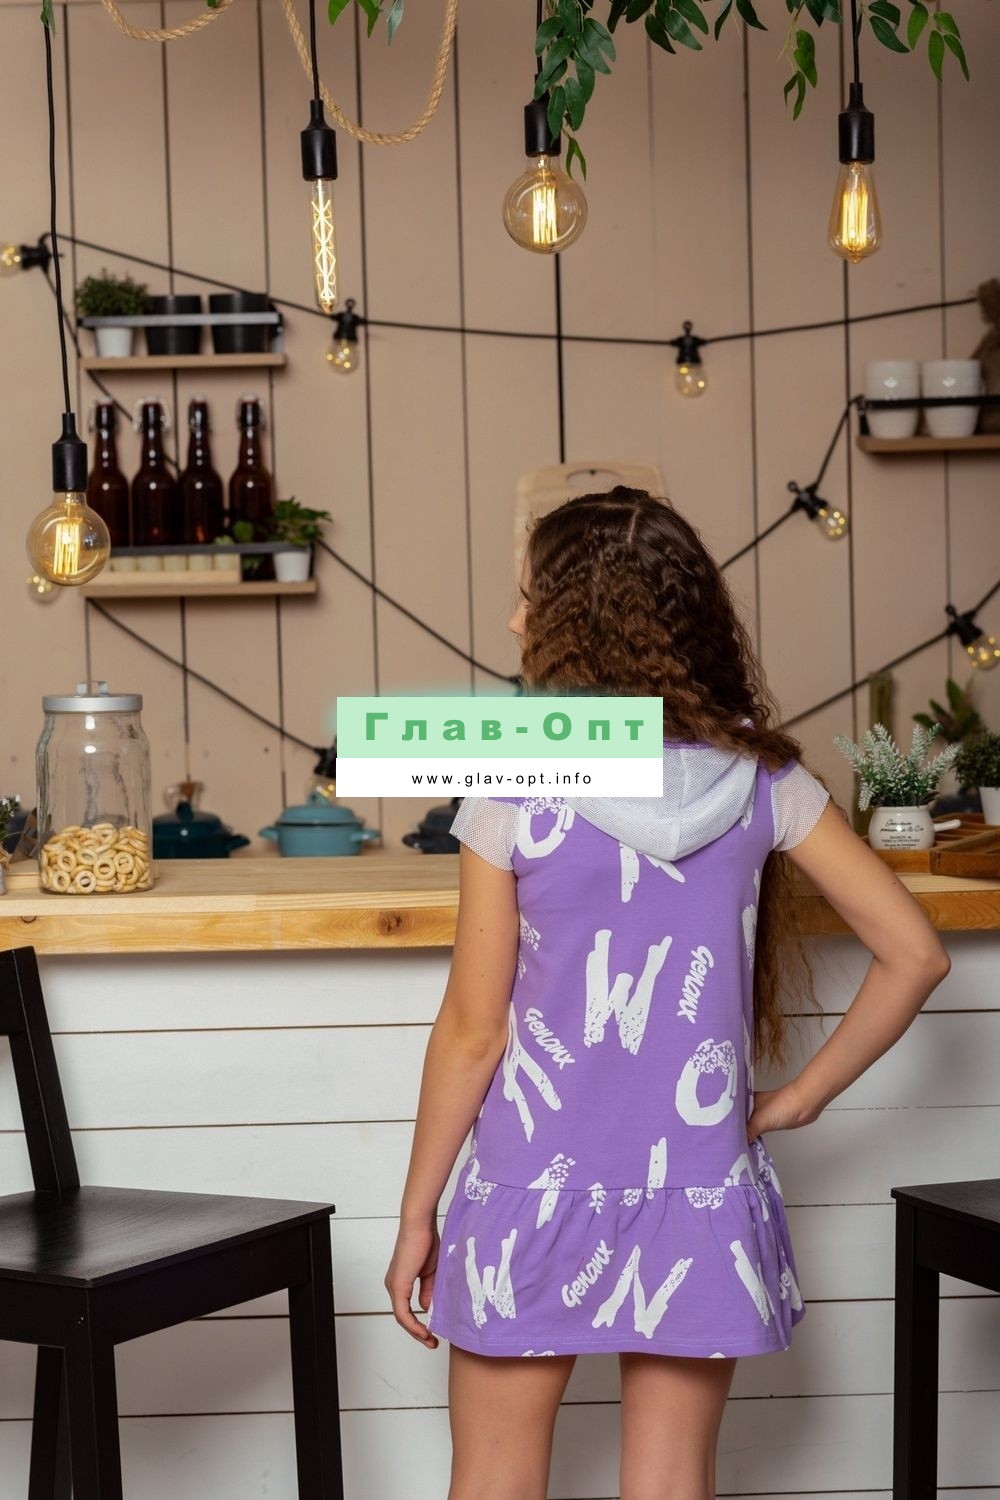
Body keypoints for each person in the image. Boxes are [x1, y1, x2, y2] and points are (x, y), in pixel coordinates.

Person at [384, 486, 951, 1500]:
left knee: (494, 1478)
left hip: (529, 1188)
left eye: (529, 600)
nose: (513, 621)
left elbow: (473, 1031)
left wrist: (417, 1211)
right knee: (672, 1482)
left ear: (578, 624)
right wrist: (794, 1101)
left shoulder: (514, 783)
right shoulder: (764, 779)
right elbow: (915, 953)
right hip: (698, 1189)